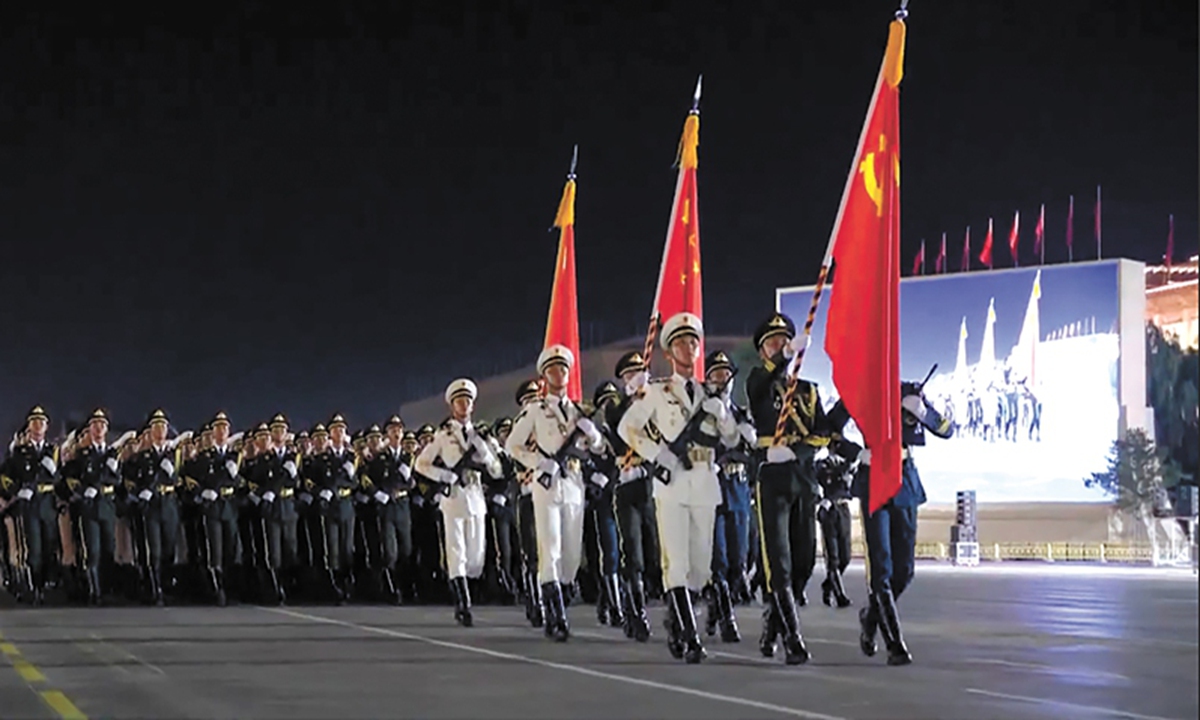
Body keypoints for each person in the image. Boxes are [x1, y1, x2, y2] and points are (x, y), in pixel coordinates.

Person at [618, 312, 741, 664]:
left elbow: (730, 439)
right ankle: (691, 637)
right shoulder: (656, 391)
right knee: (676, 562)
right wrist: (658, 455)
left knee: (700, 570)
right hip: (672, 485)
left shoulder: (709, 393)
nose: (690, 348)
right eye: (681, 343)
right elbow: (628, 429)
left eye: (693, 343)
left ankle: (675, 618)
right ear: (670, 352)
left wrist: (723, 415)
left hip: (704, 481)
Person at [847, 378, 953, 666]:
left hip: (903, 481)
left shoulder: (909, 392)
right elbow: (827, 429)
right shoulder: (863, 393)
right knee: (881, 568)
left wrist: (924, 412)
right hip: (873, 480)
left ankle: (870, 616)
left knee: (904, 571)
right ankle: (895, 644)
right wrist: (856, 452)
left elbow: (947, 430)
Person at [745, 312, 832, 665]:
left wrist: (796, 450)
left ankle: (773, 622)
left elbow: (823, 431)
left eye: (785, 341)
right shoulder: (758, 382)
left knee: (805, 561)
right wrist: (782, 360)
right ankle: (793, 638)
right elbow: (758, 390)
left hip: (802, 478)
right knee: (777, 562)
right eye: (773, 343)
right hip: (771, 480)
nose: (780, 346)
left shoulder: (808, 390)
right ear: (763, 351)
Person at [506, 346, 606, 642]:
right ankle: (556, 616)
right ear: (544, 375)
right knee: (549, 548)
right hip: (546, 485)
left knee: (572, 556)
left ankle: (559, 599)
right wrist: (539, 462)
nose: (559, 374)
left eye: (563, 369)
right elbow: (513, 445)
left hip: (574, 484)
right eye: (553, 370)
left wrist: (594, 434)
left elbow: (599, 449)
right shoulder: (535, 410)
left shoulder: (579, 411)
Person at [415, 378, 504, 626]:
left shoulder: (482, 436)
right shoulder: (443, 436)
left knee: (476, 557)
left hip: (476, 498)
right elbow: (421, 464)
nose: (464, 405)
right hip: (453, 498)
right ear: (452, 406)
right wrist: (444, 475)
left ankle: (468, 592)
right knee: (457, 553)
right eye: (459, 401)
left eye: (467, 401)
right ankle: (462, 605)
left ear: (473, 406)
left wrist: (485, 454)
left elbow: (497, 471)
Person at [703, 350, 756, 643]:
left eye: (726, 374)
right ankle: (726, 619)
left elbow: (750, 452)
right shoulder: (704, 414)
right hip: (713, 491)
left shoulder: (742, 414)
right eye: (716, 374)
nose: (722, 380)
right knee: (719, 560)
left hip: (737, 490)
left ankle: (715, 607)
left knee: (740, 561)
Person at [607, 351, 657, 642]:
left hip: (652, 483)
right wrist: (631, 399)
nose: (634, 378)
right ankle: (634, 613)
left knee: (656, 550)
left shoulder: (655, 401)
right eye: (629, 375)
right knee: (633, 552)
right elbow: (617, 428)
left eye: (638, 373)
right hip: (627, 485)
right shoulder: (617, 405)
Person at [1, 406, 61, 604]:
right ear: (29, 426)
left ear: (46, 427)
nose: (38, 426)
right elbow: (7, 477)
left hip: (47, 504)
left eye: (41, 422)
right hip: (30, 505)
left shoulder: (53, 451)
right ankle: (35, 588)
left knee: (48, 546)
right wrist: (16, 491)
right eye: (34, 422)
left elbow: (60, 478)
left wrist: (54, 472)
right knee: (33, 548)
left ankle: (44, 584)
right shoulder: (19, 453)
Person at [63, 409, 122, 605]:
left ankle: (106, 588)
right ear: (89, 430)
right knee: (92, 550)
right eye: (95, 425)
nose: (98, 429)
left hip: (106, 506)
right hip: (88, 508)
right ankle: (93, 591)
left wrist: (100, 481)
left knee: (109, 549)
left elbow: (117, 479)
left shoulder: (112, 454)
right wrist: (84, 489)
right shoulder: (80, 456)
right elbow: (70, 480)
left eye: (102, 425)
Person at [128, 409, 184, 606]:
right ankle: (155, 588)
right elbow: (135, 481)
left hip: (169, 504)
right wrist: (144, 491)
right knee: (155, 549)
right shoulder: (143, 457)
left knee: (169, 548)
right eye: (156, 426)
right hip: (152, 506)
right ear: (151, 431)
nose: (160, 430)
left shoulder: (174, 455)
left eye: (163, 426)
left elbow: (181, 480)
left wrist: (173, 475)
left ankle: (166, 584)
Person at [364, 415, 416, 604]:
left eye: (399, 429)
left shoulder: (408, 457)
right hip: (387, 507)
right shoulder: (380, 458)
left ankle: (405, 587)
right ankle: (391, 589)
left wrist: (408, 482)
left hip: (402, 506)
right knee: (390, 552)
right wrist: (378, 493)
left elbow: (413, 482)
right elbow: (368, 480)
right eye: (393, 429)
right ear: (387, 433)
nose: (397, 432)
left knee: (406, 549)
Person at [192, 412, 242, 606]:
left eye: (225, 428)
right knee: (215, 549)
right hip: (212, 507)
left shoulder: (234, 456)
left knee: (230, 549)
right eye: (218, 428)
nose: (222, 431)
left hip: (228, 506)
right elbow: (195, 479)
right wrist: (203, 492)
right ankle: (217, 589)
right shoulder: (205, 457)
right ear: (213, 433)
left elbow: (241, 482)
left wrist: (235, 477)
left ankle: (229, 588)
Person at [587, 381, 625, 629]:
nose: (610, 406)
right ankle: (616, 606)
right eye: (605, 403)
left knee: (628, 552)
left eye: (613, 401)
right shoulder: (593, 435)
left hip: (626, 493)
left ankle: (607, 597)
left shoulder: (626, 430)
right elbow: (579, 460)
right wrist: (593, 477)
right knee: (609, 552)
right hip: (604, 499)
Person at [511, 379, 545, 627]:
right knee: (531, 552)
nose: (534, 403)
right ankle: (535, 600)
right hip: (526, 494)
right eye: (530, 400)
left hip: (547, 492)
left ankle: (551, 598)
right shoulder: (519, 428)